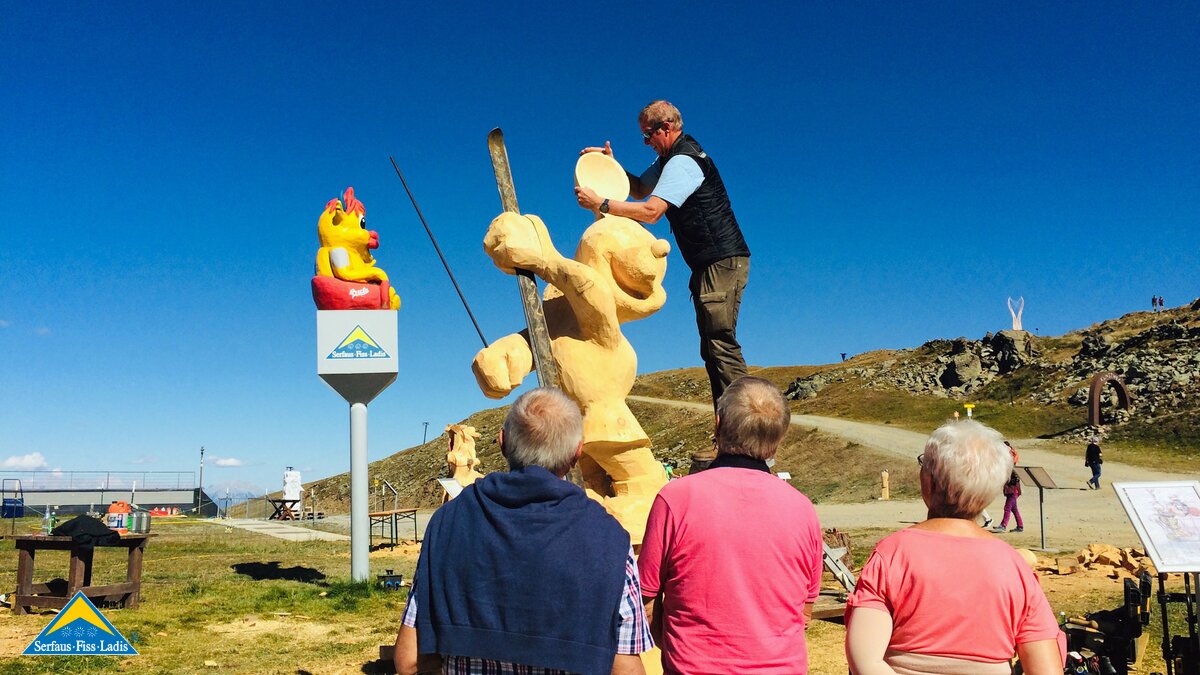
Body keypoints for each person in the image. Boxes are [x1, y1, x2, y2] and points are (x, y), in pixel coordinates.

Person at [393, 388, 650, 675]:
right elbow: (624, 665)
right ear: (578, 451)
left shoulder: (447, 522)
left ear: (503, 442)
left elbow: (409, 660)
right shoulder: (609, 538)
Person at [576, 101, 751, 471]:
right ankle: (730, 441)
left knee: (720, 346)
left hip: (720, 262)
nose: (646, 143)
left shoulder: (684, 162)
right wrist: (611, 165)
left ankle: (745, 441)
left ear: (665, 128)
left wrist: (602, 203)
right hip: (709, 265)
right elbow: (639, 189)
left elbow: (651, 211)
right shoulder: (669, 162)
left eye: (646, 135)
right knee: (712, 349)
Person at [845, 420, 1064, 674]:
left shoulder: (892, 553)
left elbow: (865, 660)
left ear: (931, 481)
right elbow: (1047, 669)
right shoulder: (1015, 567)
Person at [638, 376, 824, 674]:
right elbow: (805, 612)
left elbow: (646, 601)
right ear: (780, 437)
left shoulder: (675, 498)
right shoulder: (803, 509)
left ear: (718, 423)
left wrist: (676, 645)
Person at [993, 441, 1024, 533]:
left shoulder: (1010, 463)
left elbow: (1013, 476)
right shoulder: (1011, 460)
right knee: (1014, 509)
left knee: (1007, 508)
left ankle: (1003, 525)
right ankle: (1020, 526)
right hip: (1012, 488)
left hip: (1013, 488)